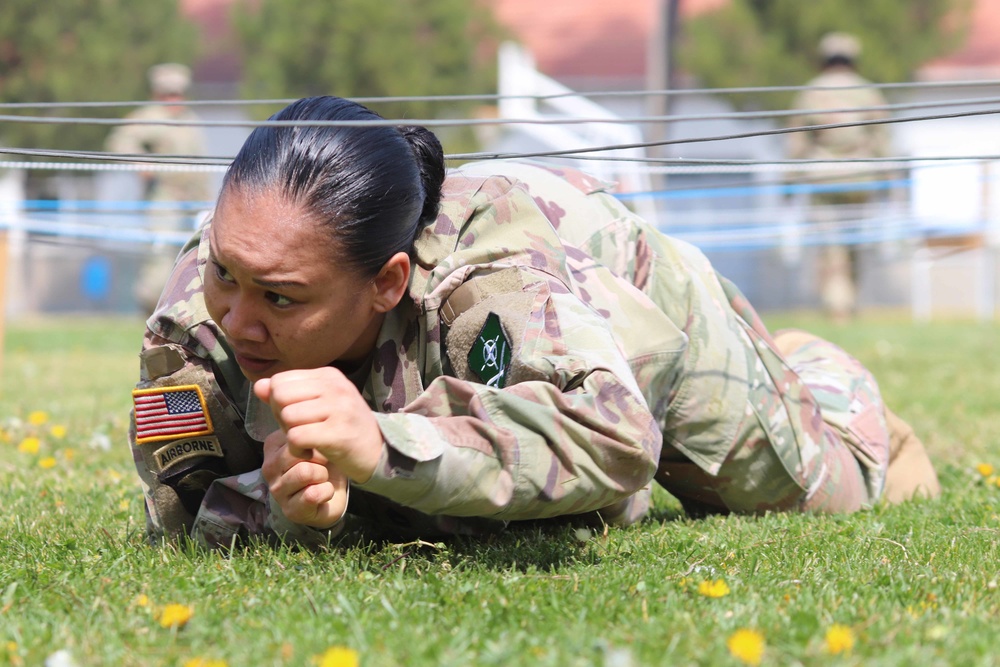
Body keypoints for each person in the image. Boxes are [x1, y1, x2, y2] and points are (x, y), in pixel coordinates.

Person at [128, 96, 939, 550]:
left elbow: (614, 448)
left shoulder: (490, 280)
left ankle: (825, 380)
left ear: (386, 283)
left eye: (280, 298)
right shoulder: (200, 310)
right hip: (504, 345)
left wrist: (382, 450)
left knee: (816, 492)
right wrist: (292, 509)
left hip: (623, 301)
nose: (235, 317)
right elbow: (183, 512)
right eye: (226, 272)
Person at [787, 33, 892, 323]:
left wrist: (790, 182)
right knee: (855, 241)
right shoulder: (867, 91)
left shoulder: (811, 92)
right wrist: (889, 178)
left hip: (823, 178)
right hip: (860, 177)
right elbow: (882, 138)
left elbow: (797, 141)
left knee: (830, 244)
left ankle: (838, 306)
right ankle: (851, 301)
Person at [106, 63, 213, 315]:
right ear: (158, 93)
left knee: (198, 255)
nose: (174, 99)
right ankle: (150, 313)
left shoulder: (190, 121)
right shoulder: (148, 117)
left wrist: (207, 200)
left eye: (178, 93)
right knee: (159, 255)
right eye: (168, 93)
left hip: (194, 200)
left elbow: (200, 164)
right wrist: (141, 162)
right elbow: (119, 141)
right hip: (163, 198)